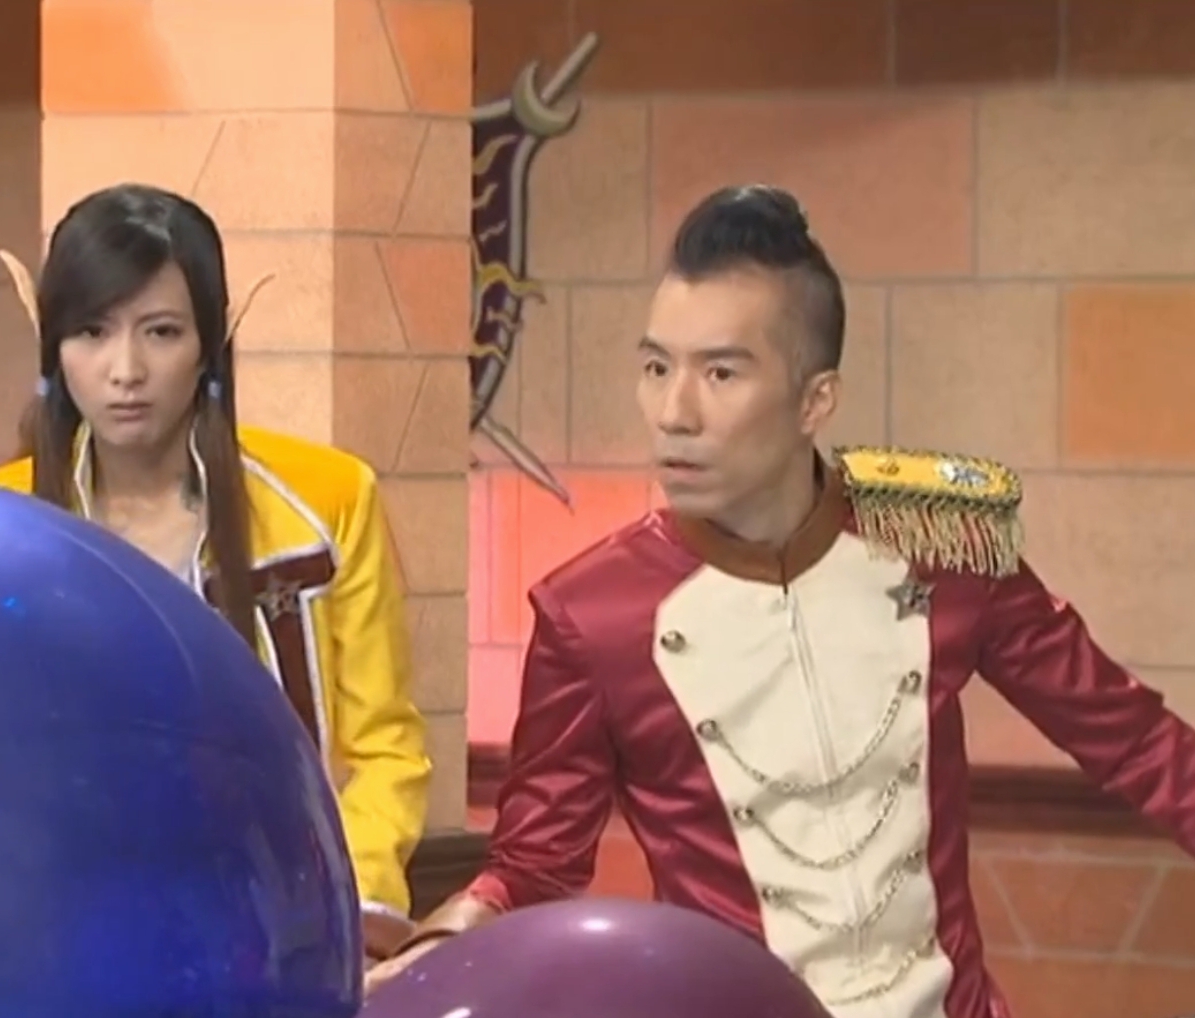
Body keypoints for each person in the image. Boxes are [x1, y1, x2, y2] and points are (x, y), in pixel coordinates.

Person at [365, 186, 1195, 1015]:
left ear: (814, 400)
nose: (673, 413)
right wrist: (431, 954)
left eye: (719, 373)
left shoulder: (944, 544)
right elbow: (532, 866)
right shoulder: (592, 614)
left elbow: (1137, 744)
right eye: (655, 368)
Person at [0, 183, 432, 964]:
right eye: (91, 332)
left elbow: (383, 747)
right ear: (52, 346)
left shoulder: (325, 502)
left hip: (283, 919)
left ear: (211, 342)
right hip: (59, 926)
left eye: (161, 332)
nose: (125, 370)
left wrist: (344, 913)